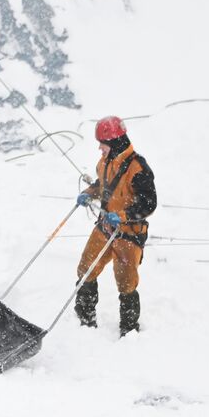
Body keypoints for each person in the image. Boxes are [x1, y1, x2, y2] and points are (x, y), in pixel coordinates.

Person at [74, 115, 157, 335]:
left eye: (102, 143)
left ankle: (129, 330)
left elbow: (149, 203)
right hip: (104, 228)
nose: (100, 148)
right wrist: (88, 193)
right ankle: (84, 319)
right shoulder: (105, 162)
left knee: (126, 283)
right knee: (86, 269)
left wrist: (122, 215)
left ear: (114, 143)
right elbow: (102, 184)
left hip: (128, 235)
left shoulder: (138, 168)